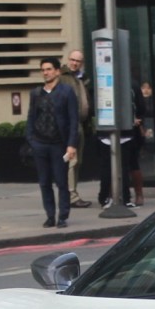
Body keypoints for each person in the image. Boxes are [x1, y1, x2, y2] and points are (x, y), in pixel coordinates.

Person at [26, 57, 79, 228]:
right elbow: (31, 118)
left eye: (48, 69)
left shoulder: (66, 92)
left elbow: (73, 120)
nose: (45, 73)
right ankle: (50, 215)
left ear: (57, 71)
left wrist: (71, 145)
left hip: (59, 144)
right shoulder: (36, 93)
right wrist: (31, 140)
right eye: (43, 70)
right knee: (44, 182)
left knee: (61, 181)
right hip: (40, 144)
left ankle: (63, 215)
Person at [62, 49, 92, 208]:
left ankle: (72, 192)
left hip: (80, 125)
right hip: (70, 125)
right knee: (72, 161)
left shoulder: (81, 79)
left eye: (78, 61)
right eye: (72, 60)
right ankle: (71, 195)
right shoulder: (64, 78)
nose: (74, 63)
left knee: (77, 161)